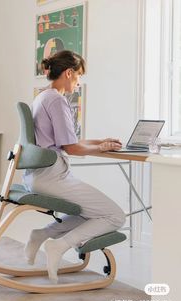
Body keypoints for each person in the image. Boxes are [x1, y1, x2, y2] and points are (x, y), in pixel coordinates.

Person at [23, 50, 126, 284]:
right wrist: (101, 149)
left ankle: (42, 234)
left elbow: (68, 142)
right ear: (69, 73)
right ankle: (58, 246)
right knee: (114, 215)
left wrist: (100, 142)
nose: (78, 82)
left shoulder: (43, 96)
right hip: (52, 176)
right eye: (78, 76)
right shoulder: (57, 100)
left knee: (90, 212)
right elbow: (72, 149)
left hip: (38, 175)